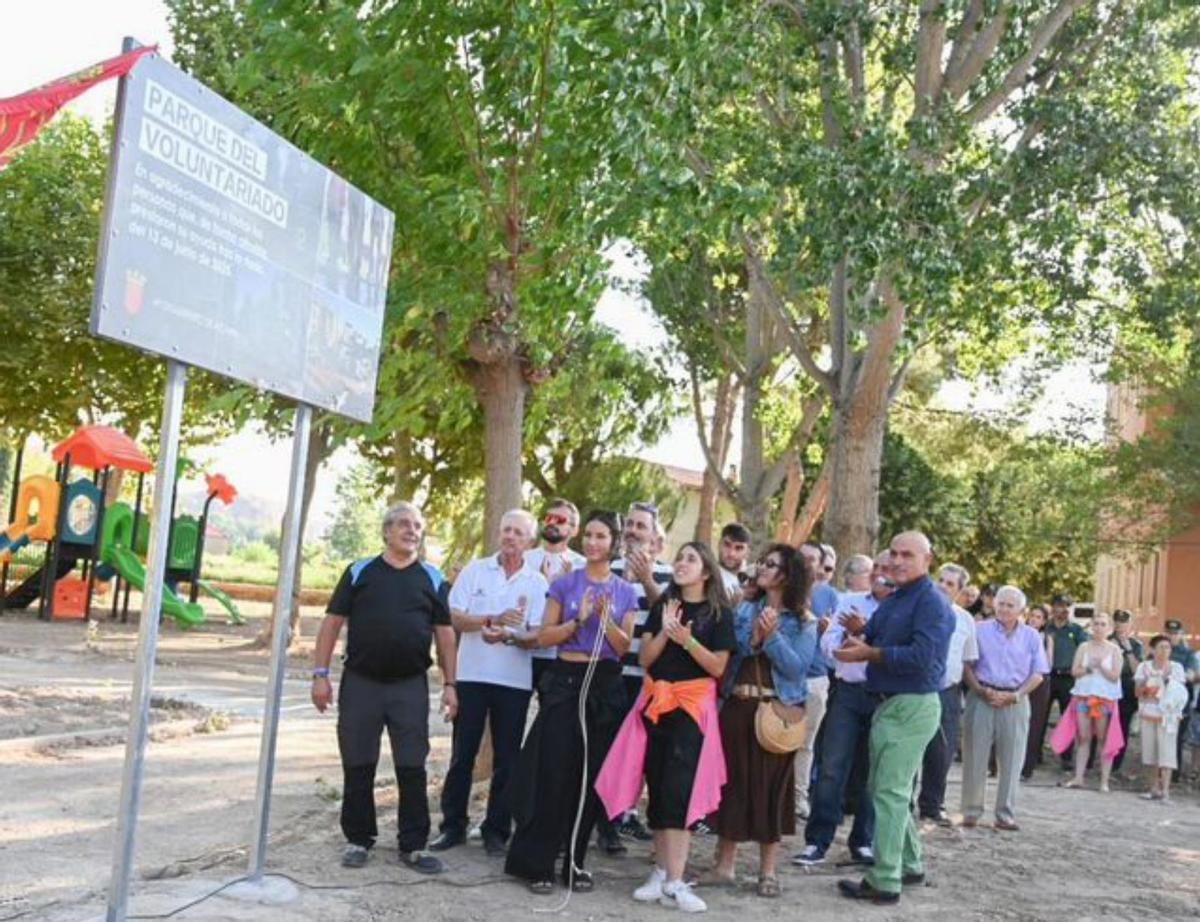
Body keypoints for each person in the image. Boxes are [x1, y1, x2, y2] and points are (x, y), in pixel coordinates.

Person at [311, 502, 457, 873]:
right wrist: (320, 674)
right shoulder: (359, 572)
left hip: (409, 686)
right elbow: (331, 624)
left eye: (417, 526)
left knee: (412, 765)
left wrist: (450, 684)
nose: (412, 531)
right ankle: (359, 839)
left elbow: (445, 636)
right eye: (404, 524)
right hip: (361, 684)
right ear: (387, 530)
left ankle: (413, 845)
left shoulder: (433, 578)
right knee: (358, 762)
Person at [596, 542, 736, 913]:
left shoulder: (719, 613)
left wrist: (686, 640)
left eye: (691, 559)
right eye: (680, 557)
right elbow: (644, 657)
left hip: (690, 710)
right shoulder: (662, 606)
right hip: (655, 705)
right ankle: (660, 872)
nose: (681, 563)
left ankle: (676, 880)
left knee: (678, 792)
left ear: (706, 571)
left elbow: (718, 667)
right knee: (657, 787)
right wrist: (665, 631)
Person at [505, 510, 639, 894]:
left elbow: (623, 646)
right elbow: (544, 636)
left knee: (590, 776)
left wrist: (605, 619)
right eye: (589, 535)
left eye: (601, 536)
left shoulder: (625, 591)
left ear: (613, 543)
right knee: (553, 773)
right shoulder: (565, 584)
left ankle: (575, 863)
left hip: (605, 685)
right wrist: (578, 620)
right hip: (566, 680)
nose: (593, 542)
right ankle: (538, 863)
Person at [832, 531, 954, 907]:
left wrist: (869, 653)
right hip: (891, 705)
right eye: (894, 554)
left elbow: (923, 657)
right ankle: (910, 864)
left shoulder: (932, 602)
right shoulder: (899, 596)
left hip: (911, 705)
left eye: (907, 555)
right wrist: (859, 633)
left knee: (889, 792)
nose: (897, 561)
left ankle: (884, 880)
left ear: (927, 560)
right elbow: (877, 633)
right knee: (888, 789)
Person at [430, 510, 547, 856]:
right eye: (506, 529)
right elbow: (453, 616)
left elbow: (537, 633)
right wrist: (489, 619)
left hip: (514, 682)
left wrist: (509, 636)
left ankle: (496, 830)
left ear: (530, 541)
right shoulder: (476, 570)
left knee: (508, 759)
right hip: (471, 677)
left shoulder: (537, 583)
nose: (510, 536)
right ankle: (452, 826)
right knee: (462, 754)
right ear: (498, 533)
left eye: (518, 532)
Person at [709, 543, 818, 899]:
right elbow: (731, 651)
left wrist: (772, 637)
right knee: (732, 785)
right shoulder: (744, 607)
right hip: (737, 706)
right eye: (762, 563)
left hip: (778, 712)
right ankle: (724, 865)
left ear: (787, 574)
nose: (762, 569)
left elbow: (797, 667)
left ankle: (767, 871)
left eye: (771, 564)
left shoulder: (804, 621)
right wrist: (754, 638)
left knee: (773, 789)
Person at [793, 550, 894, 868]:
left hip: (883, 697)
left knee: (871, 772)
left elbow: (896, 651)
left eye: (885, 567)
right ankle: (816, 841)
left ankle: (862, 842)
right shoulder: (850, 600)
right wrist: (849, 640)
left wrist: (864, 634)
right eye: (875, 567)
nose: (878, 572)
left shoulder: (902, 609)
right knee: (832, 767)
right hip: (847, 692)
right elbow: (828, 645)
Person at [608, 501, 673, 847]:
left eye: (641, 526)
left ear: (654, 537)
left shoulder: (669, 575)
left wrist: (647, 579)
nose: (633, 531)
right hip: (610, 673)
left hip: (646, 677)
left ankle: (627, 813)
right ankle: (604, 820)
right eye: (630, 524)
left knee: (638, 752)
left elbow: (668, 615)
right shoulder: (608, 568)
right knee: (608, 747)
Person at [960, 586, 1048, 831]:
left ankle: (1005, 813)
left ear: (1021, 609)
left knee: (1012, 759)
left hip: (1015, 699)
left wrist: (1016, 695)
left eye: (1010, 605)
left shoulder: (1032, 636)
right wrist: (979, 689)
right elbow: (966, 665)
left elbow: (1038, 673)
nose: (1004, 609)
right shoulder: (979, 630)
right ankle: (971, 811)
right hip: (982, 696)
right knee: (975, 755)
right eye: (1001, 604)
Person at [918, 563, 979, 826]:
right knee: (912, 747)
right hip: (918, 688)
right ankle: (903, 801)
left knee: (941, 751)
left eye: (950, 583)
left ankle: (933, 805)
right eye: (940, 580)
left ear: (960, 591)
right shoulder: (919, 609)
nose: (942, 586)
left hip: (948, 691)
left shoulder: (965, 620)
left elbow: (968, 660)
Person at [1052, 611, 1123, 792]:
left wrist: (1101, 667)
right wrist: (1089, 668)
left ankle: (1104, 781)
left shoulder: (1114, 650)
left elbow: (1115, 676)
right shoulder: (1083, 647)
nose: (1099, 627)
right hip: (1083, 696)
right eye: (1096, 624)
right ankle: (1078, 777)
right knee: (1083, 737)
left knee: (1103, 738)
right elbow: (1074, 671)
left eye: (1103, 624)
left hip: (1103, 699)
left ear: (1109, 628)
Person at [524, 499, 586, 693]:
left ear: (574, 530)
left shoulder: (582, 565)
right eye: (548, 517)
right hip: (522, 651)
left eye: (559, 520)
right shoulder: (524, 559)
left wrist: (565, 589)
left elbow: (583, 614)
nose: (551, 522)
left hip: (560, 656)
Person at [794, 540, 835, 819]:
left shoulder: (830, 595)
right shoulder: (780, 589)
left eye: (812, 559)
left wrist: (827, 630)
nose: (807, 563)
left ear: (820, 566)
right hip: (782, 676)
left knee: (805, 744)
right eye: (802, 557)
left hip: (815, 678)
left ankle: (798, 797)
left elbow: (838, 639)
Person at [1134, 633, 1190, 803]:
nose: (1165, 650)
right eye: (1161, 647)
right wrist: (1148, 690)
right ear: (1152, 649)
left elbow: (1179, 692)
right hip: (1149, 712)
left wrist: (1164, 686)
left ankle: (1165, 791)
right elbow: (1137, 691)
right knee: (1150, 752)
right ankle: (1153, 788)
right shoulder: (1144, 667)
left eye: (1168, 647)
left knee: (1167, 752)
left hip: (1168, 715)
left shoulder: (1176, 667)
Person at [1040, 594, 1089, 771]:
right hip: (1047, 677)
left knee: (1068, 719)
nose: (1063, 609)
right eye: (1059, 605)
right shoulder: (1046, 628)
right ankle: (1035, 754)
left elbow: (1085, 651)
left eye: (1067, 606)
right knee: (1040, 717)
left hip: (1068, 678)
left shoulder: (1077, 630)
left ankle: (1066, 757)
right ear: (1052, 608)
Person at [1109, 609, 1145, 776]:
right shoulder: (1107, 640)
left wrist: (1129, 650)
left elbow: (1137, 670)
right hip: (1107, 687)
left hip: (1126, 689)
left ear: (1130, 624)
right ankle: (1094, 761)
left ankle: (1116, 764)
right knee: (1101, 726)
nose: (1120, 625)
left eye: (1124, 622)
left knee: (1122, 727)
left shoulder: (1136, 645)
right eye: (1118, 621)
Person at [1021, 603, 1054, 780]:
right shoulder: (1019, 633)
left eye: (1038, 617)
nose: (1034, 619)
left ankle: (1027, 767)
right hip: (1020, 679)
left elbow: (1048, 664)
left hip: (1039, 682)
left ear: (1044, 621)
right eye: (1032, 616)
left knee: (1034, 724)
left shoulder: (1047, 638)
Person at [1164, 619, 1198, 781]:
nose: (1172, 636)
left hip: (1180, 703)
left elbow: (1191, 675)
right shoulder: (1158, 650)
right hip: (1160, 700)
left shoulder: (1188, 654)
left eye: (1175, 633)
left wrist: (1174, 676)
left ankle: (1174, 774)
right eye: (1169, 633)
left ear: (1181, 634)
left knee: (1176, 738)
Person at [718, 522, 752, 599]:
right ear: (719, 544)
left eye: (738, 548)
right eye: (727, 545)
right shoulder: (707, 576)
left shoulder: (752, 582)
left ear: (747, 552)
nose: (731, 553)